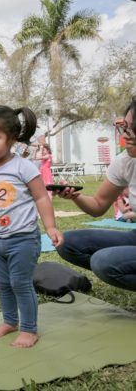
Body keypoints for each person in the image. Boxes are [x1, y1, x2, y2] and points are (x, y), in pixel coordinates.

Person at [0, 105, 63, 348]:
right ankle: (10, 321)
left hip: (24, 239)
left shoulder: (23, 167)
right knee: (4, 283)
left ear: (11, 139)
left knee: (20, 282)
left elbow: (41, 197)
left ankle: (29, 328)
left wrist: (50, 227)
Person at [54, 99, 136, 292]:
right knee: (68, 243)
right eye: (125, 127)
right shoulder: (125, 162)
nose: (126, 135)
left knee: (103, 261)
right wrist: (74, 196)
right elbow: (98, 205)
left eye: (134, 128)